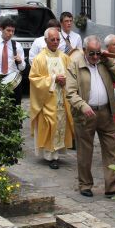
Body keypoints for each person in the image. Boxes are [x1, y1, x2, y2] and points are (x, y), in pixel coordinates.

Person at [65, 35, 115, 198]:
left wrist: (108, 60)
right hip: (85, 114)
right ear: (84, 51)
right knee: (85, 151)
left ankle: (111, 187)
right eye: (92, 53)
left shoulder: (103, 62)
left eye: (98, 53)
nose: (95, 57)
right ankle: (85, 184)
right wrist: (83, 106)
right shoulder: (75, 64)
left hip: (106, 111)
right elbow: (70, 92)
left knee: (112, 149)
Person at [29, 27, 74, 169]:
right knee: (50, 125)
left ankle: (57, 154)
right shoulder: (39, 59)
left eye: (57, 39)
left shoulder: (65, 58)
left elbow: (72, 76)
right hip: (47, 100)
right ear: (45, 40)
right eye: (52, 39)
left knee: (61, 124)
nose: (55, 42)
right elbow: (34, 79)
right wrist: (54, 79)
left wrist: (66, 80)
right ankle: (50, 156)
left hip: (62, 99)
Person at [0, 17, 26, 105]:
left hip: (13, 80)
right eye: (8, 30)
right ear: (1, 29)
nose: (10, 33)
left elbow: (22, 68)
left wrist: (20, 61)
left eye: (13, 31)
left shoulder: (17, 46)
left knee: (15, 108)